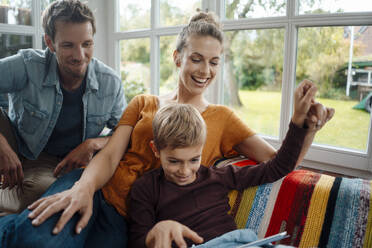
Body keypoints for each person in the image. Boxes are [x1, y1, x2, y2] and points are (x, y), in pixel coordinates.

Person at [0, 11, 333, 248]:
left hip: (127, 218)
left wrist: (306, 126)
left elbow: (277, 162)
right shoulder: (144, 102)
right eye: (196, 58)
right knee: (36, 237)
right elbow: (113, 153)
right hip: (93, 186)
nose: (205, 70)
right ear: (177, 58)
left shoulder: (223, 119)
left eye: (214, 62)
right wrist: (84, 188)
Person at [128, 89, 321, 247]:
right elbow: (136, 243)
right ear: (156, 149)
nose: (185, 171)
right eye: (174, 161)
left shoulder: (217, 176)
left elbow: (277, 168)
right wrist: (157, 231)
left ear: (202, 149)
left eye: (194, 160)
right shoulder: (145, 189)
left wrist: (298, 122)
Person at [0, 0, 126, 215]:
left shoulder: (110, 82)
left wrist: (92, 143)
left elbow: (125, 132)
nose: (79, 56)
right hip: (27, 154)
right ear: (50, 43)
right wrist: (3, 148)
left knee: (57, 197)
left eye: (87, 44)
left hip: (69, 164)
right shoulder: (27, 65)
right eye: (68, 45)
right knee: (43, 195)